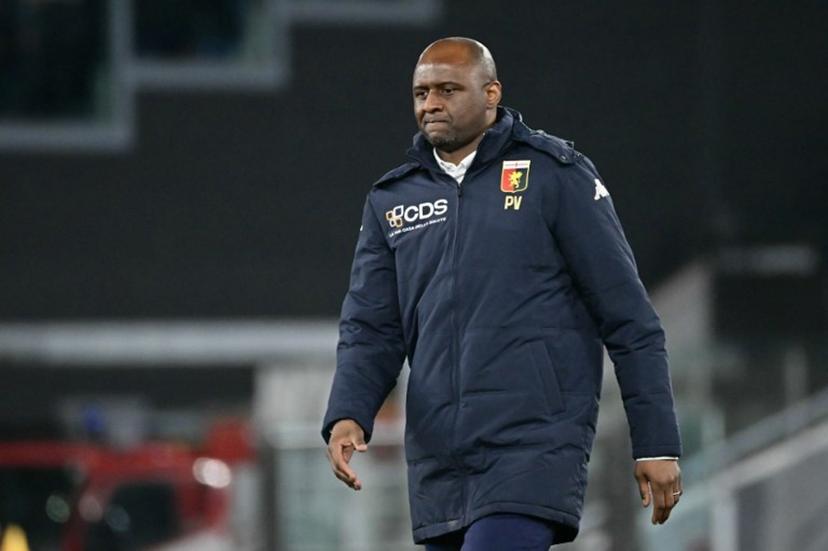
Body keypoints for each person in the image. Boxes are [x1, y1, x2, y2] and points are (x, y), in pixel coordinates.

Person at [322, 37, 682, 550]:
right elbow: (372, 327)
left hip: (532, 446)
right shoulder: (392, 200)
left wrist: (657, 443)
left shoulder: (556, 176)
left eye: (448, 89)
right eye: (421, 92)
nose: (431, 104)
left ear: (491, 93)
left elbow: (630, 321)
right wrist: (348, 413)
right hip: (438, 457)